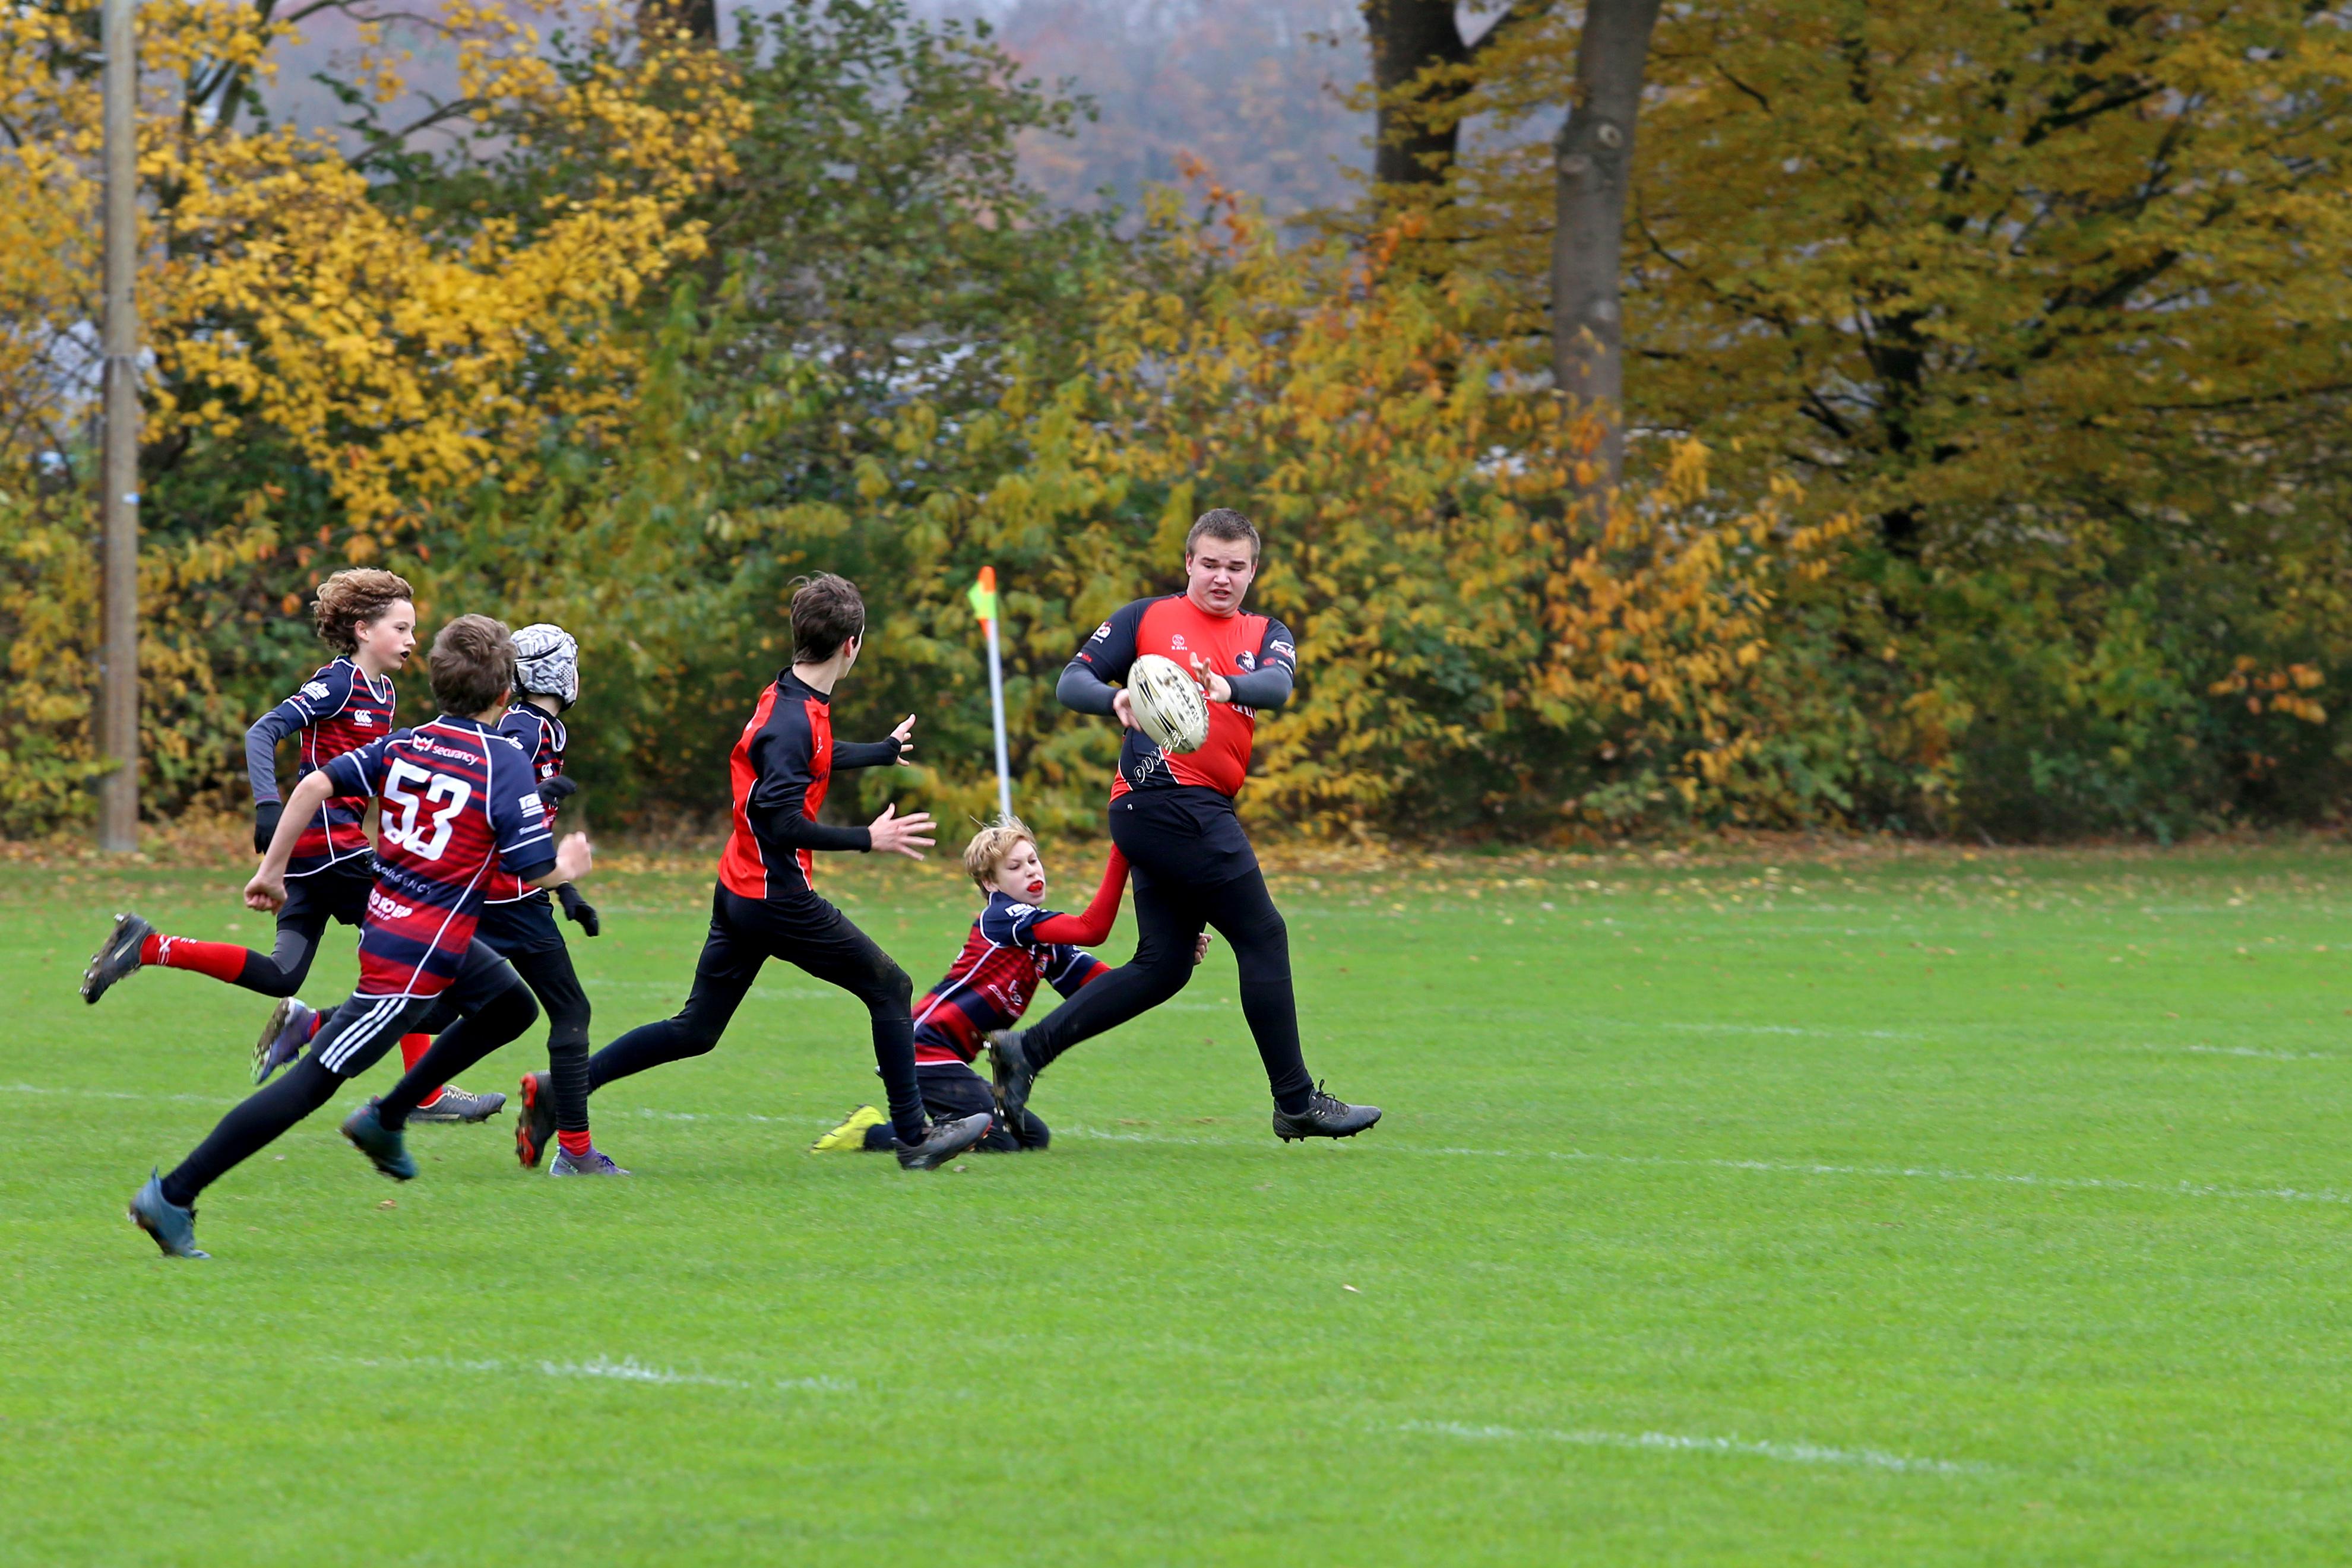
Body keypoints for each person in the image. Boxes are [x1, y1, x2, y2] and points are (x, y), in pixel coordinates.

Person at [127, 615, 594, 1258]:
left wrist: (271, 870)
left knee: (511, 1005)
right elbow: (531, 865)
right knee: (311, 1084)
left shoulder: (405, 743)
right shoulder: (505, 759)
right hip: (412, 958)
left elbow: (316, 782)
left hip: (405, 928)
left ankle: (388, 1116)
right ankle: (173, 1194)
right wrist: (569, 867)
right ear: (501, 695)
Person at [986, 508, 1381, 1142]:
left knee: (1164, 964)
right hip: (1166, 797)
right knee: (1262, 933)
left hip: (1180, 809)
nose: (1221, 577)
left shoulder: (1265, 632)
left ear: (1252, 570)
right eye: (1210, 564)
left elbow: (1278, 686)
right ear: (1189, 563)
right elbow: (1070, 680)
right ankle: (1295, 1100)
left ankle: (1025, 1051)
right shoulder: (1146, 617)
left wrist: (1226, 687)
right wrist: (1111, 697)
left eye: (1235, 567)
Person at [578, 573, 992, 1172]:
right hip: (777, 898)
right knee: (891, 987)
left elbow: (809, 755)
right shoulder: (795, 720)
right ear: (852, 645)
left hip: (740, 887)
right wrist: (867, 839)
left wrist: (876, 751)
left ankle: (564, 1089)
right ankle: (913, 1139)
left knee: (696, 1029)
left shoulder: (790, 696)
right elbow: (779, 822)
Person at [79, 568, 499, 1123]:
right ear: (363, 629)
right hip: (333, 853)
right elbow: (263, 731)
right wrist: (267, 806)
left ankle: (150, 946)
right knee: (421, 962)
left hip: (320, 856)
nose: (412, 641)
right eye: (401, 628)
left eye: (413, 630)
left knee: (283, 975)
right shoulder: (338, 682)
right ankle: (419, 1092)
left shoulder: (384, 692)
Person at [260, 624, 619, 1174]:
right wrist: (555, 868)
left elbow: (521, 818)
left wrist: (567, 892)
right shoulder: (523, 727)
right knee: (569, 1011)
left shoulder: (540, 726)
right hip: (504, 897)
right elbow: (497, 795)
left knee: (446, 1007)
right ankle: (575, 1151)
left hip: (506, 894)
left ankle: (314, 1026)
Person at [811, 819, 1208, 1155]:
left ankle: (935, 1123)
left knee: (1032, 1138)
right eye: (1015, 867)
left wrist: (1170, 956)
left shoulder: (1046, 943)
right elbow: (1092, 930)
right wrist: (1122, 852)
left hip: (946, 1058)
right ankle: (869, 1131)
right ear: (990, 881)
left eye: (1034, 861)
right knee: (999, 1141)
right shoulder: (1004, 918)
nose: (1032, 871)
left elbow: (1109, 991)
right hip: (920, 1051)